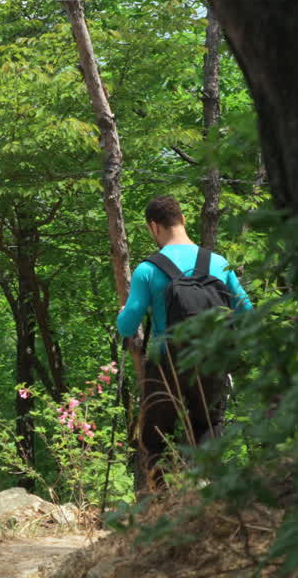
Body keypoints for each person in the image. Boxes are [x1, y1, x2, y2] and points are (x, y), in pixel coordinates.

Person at [116, 195, 253, 488]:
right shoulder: (218, 263)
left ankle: (164, 504)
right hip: (210, 358)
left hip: (166, 362)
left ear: (153, 227)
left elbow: (128, 326)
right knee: (207, 426)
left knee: (156, 437)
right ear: (183, 219)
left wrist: (122, 314)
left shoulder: (148, 269)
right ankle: (205, 495)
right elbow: (248, 313)